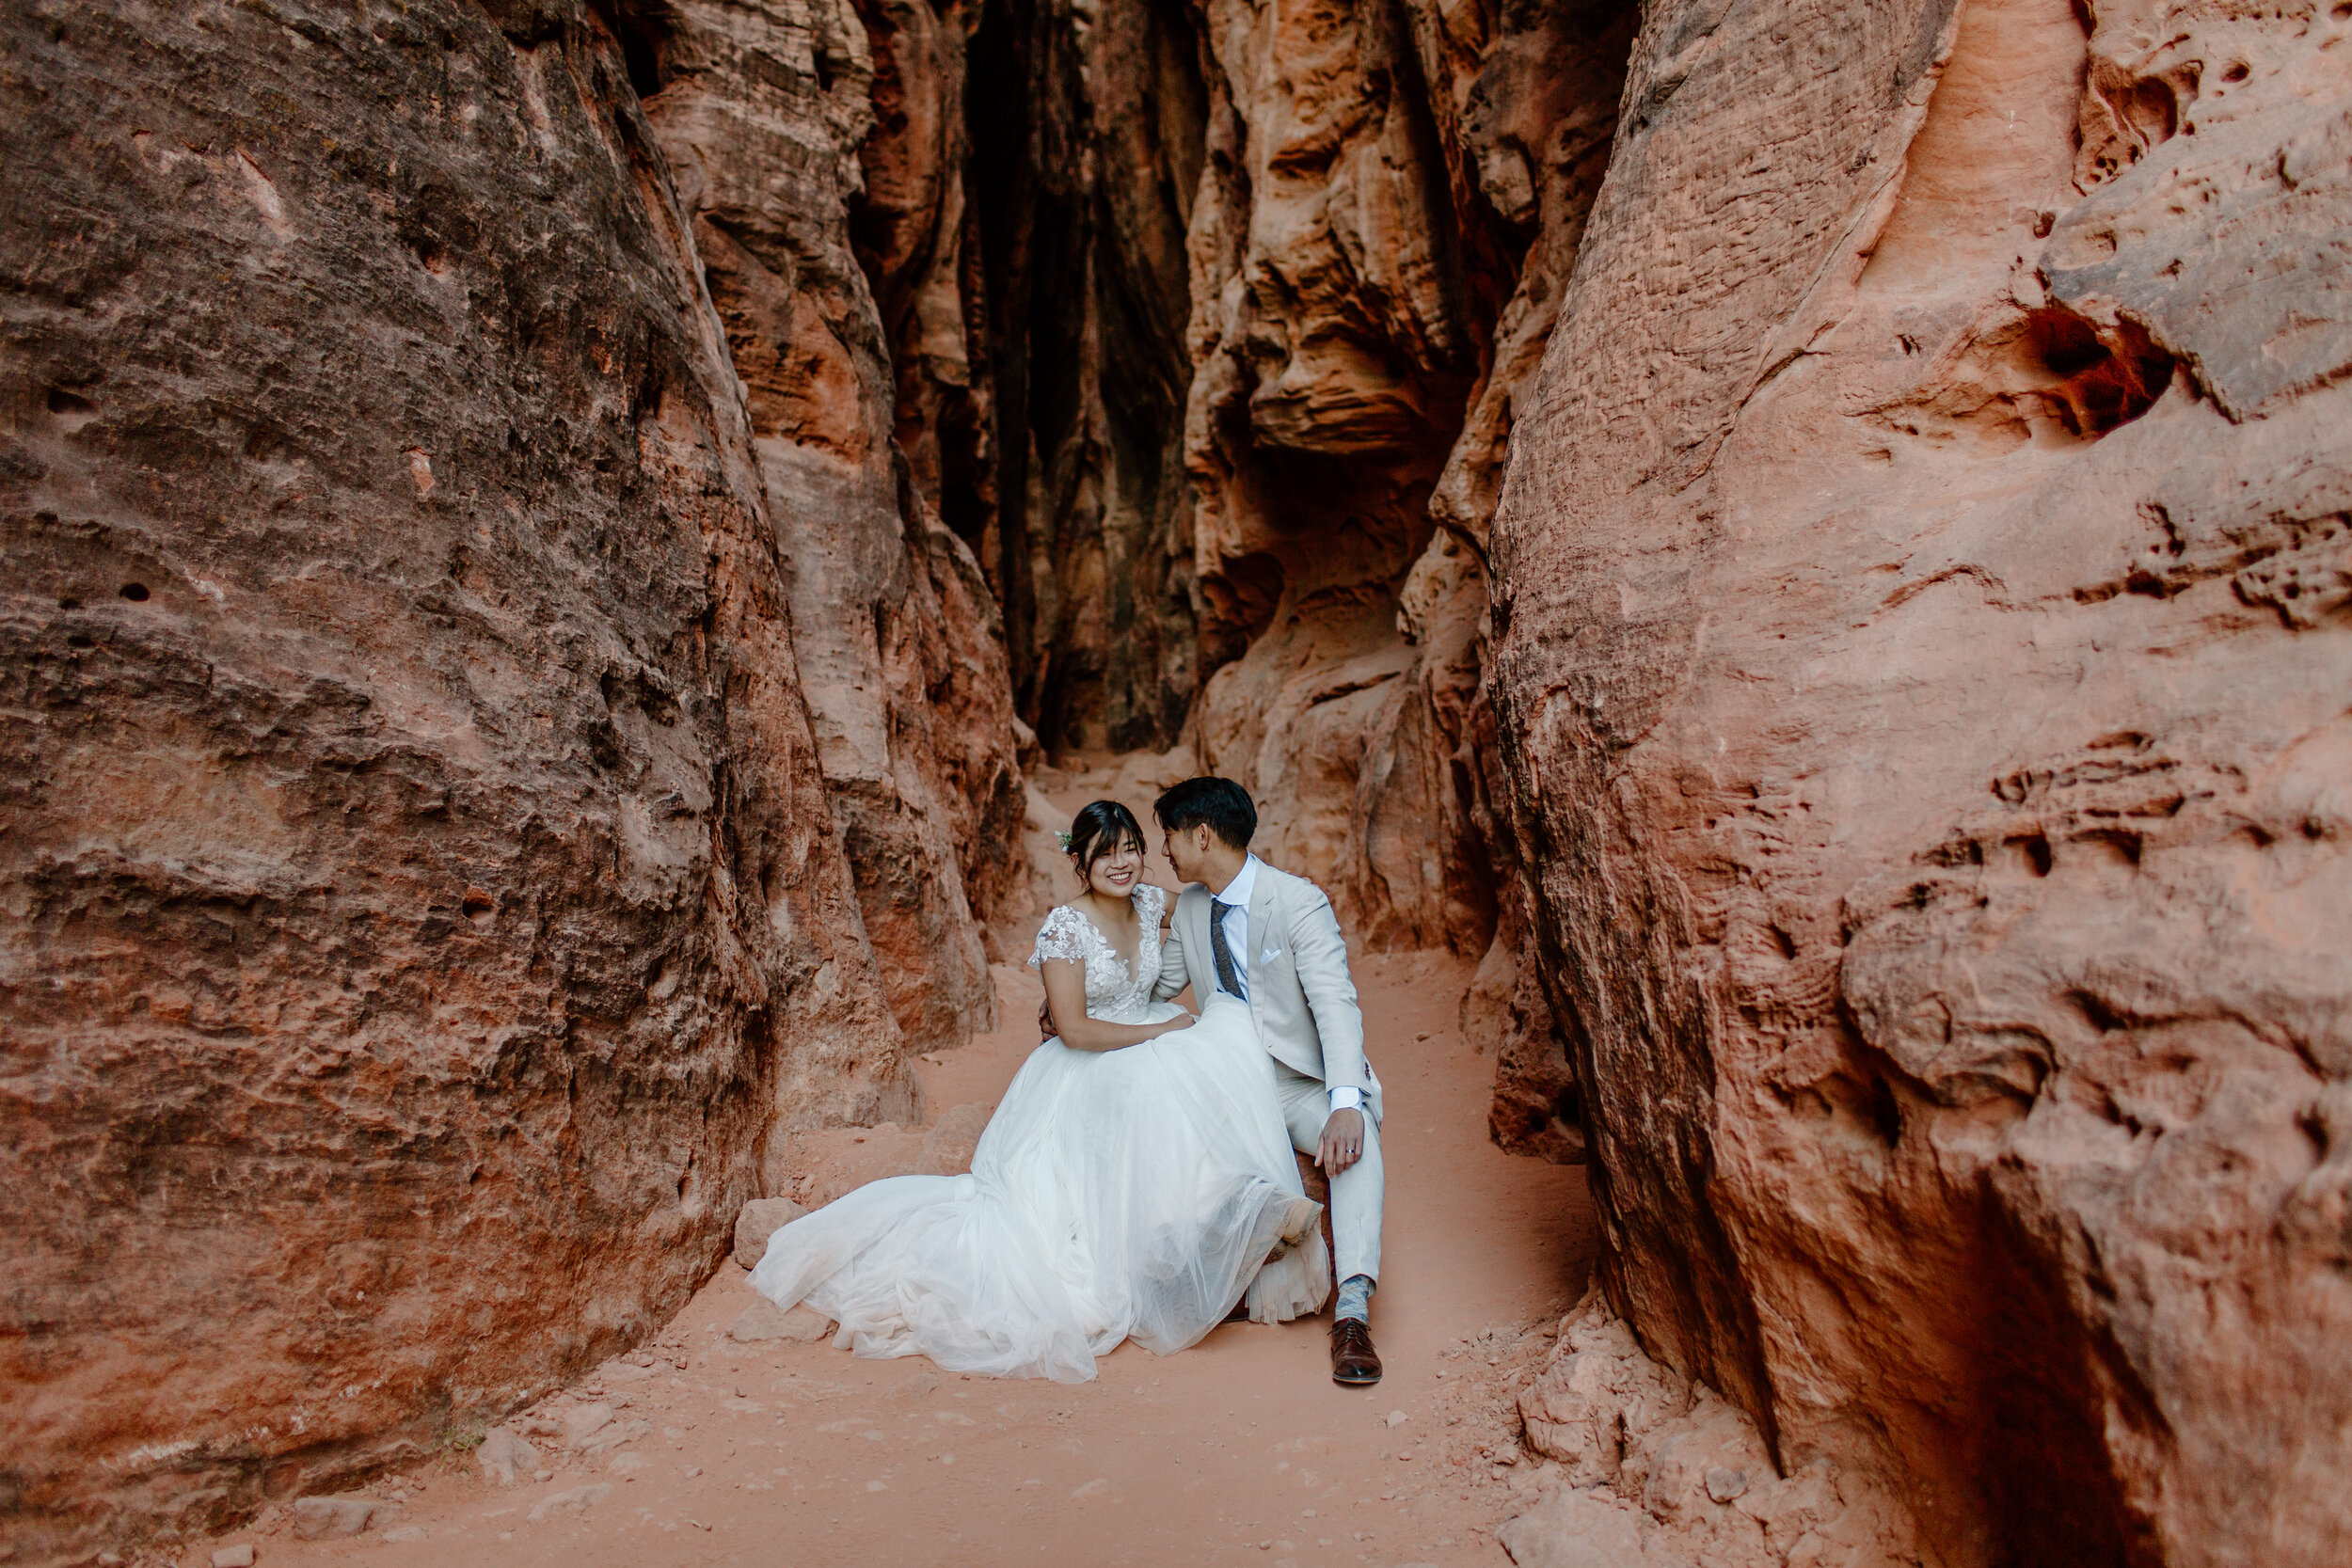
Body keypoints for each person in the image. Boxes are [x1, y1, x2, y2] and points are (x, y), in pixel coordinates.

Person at [745, 800, 1327, 1382]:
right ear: (1080, 860)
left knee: (1225, 1030)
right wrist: (1162, 1028)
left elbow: (1212, 904)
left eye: (1130, 849)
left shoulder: (1153, 903)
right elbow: (1073, 1028)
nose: (1120, 864)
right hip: (1089, 1059)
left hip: (1152, 1037)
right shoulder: (1064, 927)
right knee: (1149, 1088)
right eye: (1105, 854)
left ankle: (1245, 1205)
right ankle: (1236, 1214)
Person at [1147, 777, 1388, 1386]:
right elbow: (1158, 988)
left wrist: (1345, 1103)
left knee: (1356, 1147)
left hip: (1297, 1082)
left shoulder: (1297, 901)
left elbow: (1336, 1006)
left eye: (1170, 835)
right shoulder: (1194, 907)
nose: (1165, 850)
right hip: (1227, 1083)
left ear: (1202, 834)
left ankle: (1353, 1312)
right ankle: (1203, 1283)